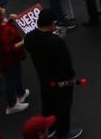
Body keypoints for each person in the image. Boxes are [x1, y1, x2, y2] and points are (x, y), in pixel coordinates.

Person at [24, 9, 82, 139]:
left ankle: (49, 128)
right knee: (63, 106)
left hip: (44, 78)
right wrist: (71, 78)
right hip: (60, 81)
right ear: (52, 23)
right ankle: (64, 132)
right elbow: (65, 64)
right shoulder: (56, 42)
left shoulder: (29, 38)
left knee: (47, 103)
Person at [0, 4, 30, 114]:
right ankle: (12, 105)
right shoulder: (1, 33)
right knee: (10, 81)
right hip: (8, 61)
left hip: (5, 60)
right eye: (0, 10)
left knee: (16, 75)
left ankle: (21, 93)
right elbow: (8, 50)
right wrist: (23, 42)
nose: (3, 9)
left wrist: (9, 21)